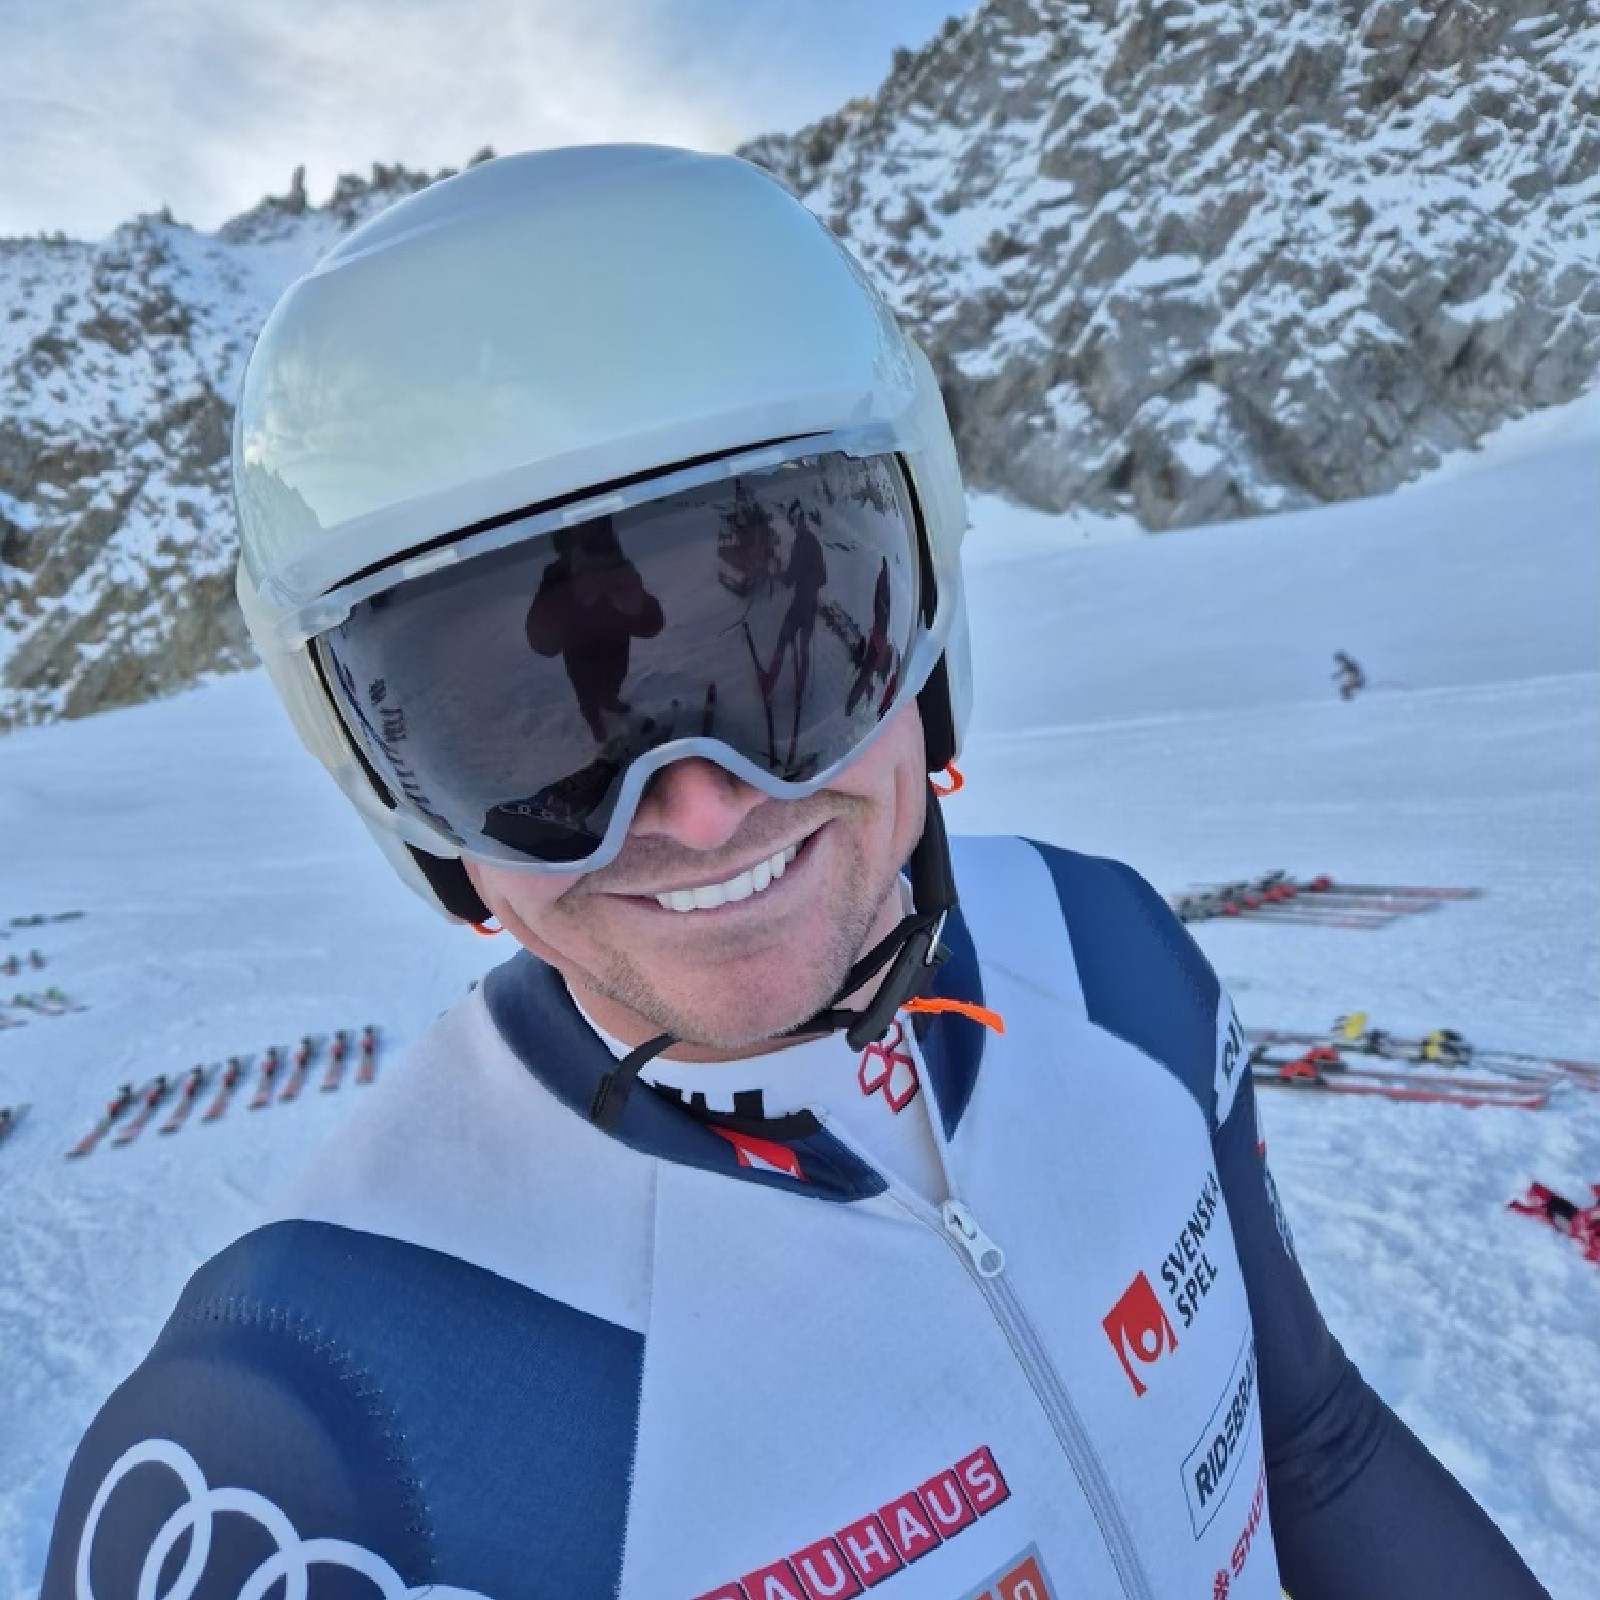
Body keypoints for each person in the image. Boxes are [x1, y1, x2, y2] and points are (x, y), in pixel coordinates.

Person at [42, 147, 1549, 1600]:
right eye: (525, 730)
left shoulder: (1116, 960)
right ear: (395, 789)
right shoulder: (321, 1428)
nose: (696, 813)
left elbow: (1316, 1444)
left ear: (928, 617)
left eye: (781, 666)